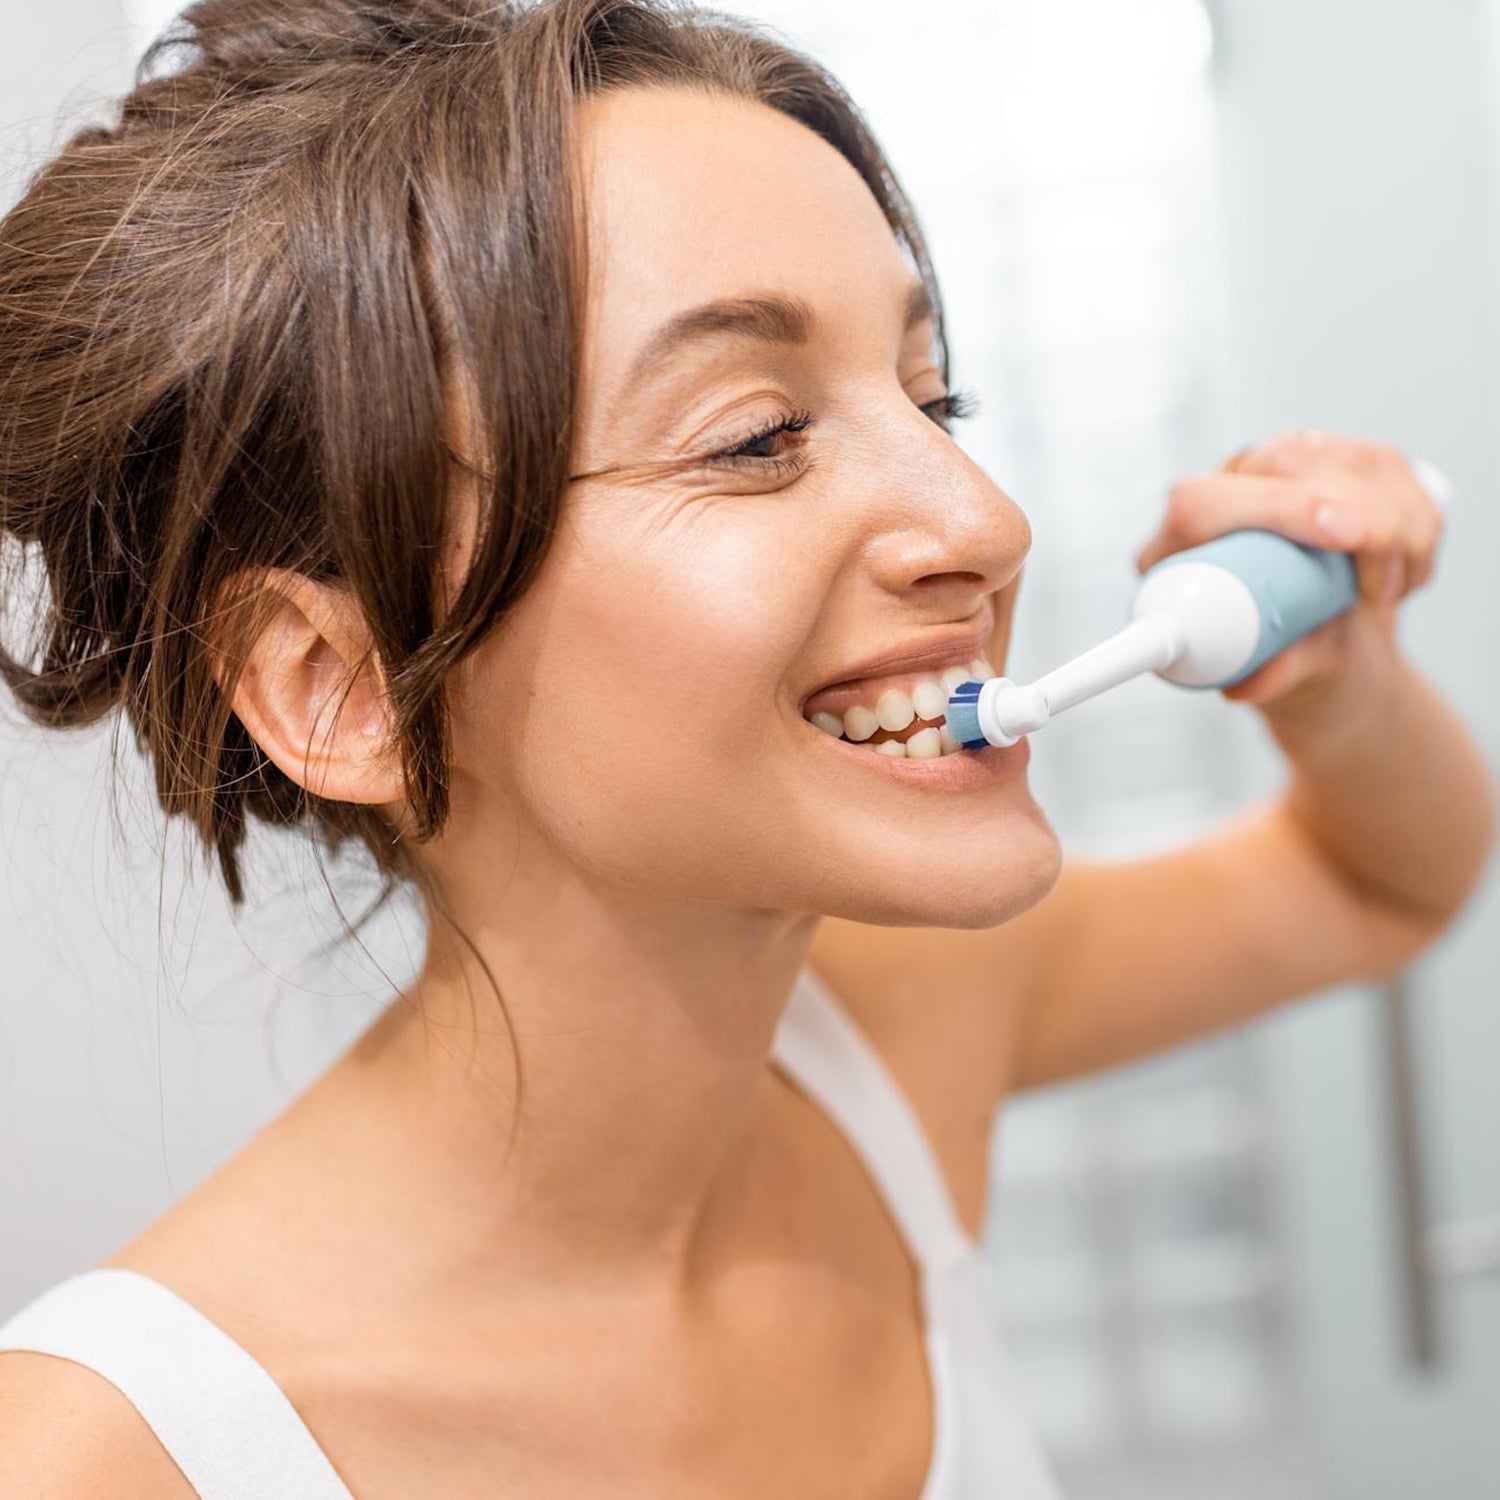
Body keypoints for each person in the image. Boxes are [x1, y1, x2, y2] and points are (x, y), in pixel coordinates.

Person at [0, 1, 1493, 1496]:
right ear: (340, 686)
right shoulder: (104, 1462)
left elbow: (1376, 886)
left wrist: (1336, 681)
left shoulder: (902, 1030)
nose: (988, 523)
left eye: (931, 396)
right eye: (758, 437)